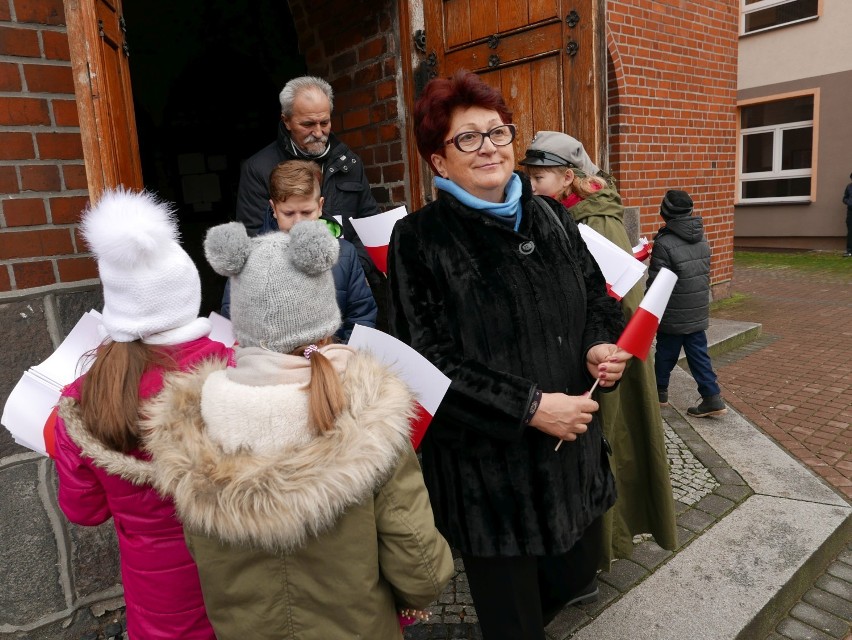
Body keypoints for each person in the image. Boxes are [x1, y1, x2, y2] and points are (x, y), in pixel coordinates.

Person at [386, 70, 630, 640]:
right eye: (467, 137)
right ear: (439, 162)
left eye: (497, 132)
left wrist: (598, 343)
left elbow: (598, 295)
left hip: (571, 458)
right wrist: (529, 407)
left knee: (574, 576)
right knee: (514, 622)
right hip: (489, 481)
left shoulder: (552, 216)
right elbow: (425, 360)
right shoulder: (420, 240)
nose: (490, 146)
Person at [142, 219, 454, 640]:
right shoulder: (365, 413)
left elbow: (202, 555)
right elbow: (420, 565)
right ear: (326, 313)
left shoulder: (196, 426)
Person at [53, 189, 230, 639]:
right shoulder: (231, 372)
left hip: (156, 602)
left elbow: (84, 510)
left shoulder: (84, 397)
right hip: (236, 581)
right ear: (187, 291)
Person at [520, 131, 677, 570]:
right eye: (528, 177)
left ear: (568, 178)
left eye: (540, 178)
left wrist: (603, 348)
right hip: (583, 351)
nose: (530, 187)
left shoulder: (594, 221)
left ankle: (604, 546)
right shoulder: (559, 214)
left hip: (609, 358)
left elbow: (621, 299)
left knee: (611, 446)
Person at [221, 159, 377, 341]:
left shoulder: (346, 254)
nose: (298, 222)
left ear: (320, 206)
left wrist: (342, 357)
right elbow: (233, 320)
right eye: (288, 213)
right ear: (274, 209)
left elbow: (361, 316)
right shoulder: (248, 260)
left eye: (306, 212)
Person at [648, 189, 727, 417]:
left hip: (672, 312)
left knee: (665, 353)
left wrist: (648, 311)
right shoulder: (702, 238)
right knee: (699, 354)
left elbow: (657, 283)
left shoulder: (665, 243)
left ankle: (658, 392)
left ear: (665, 213)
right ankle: (712, 397)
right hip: (697, 310)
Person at [843, 172, 852, 257]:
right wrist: (848, 202)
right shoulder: (849, 187)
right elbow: (844, 198)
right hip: (850, 212)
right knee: (850, 232)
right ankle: (849, 251)